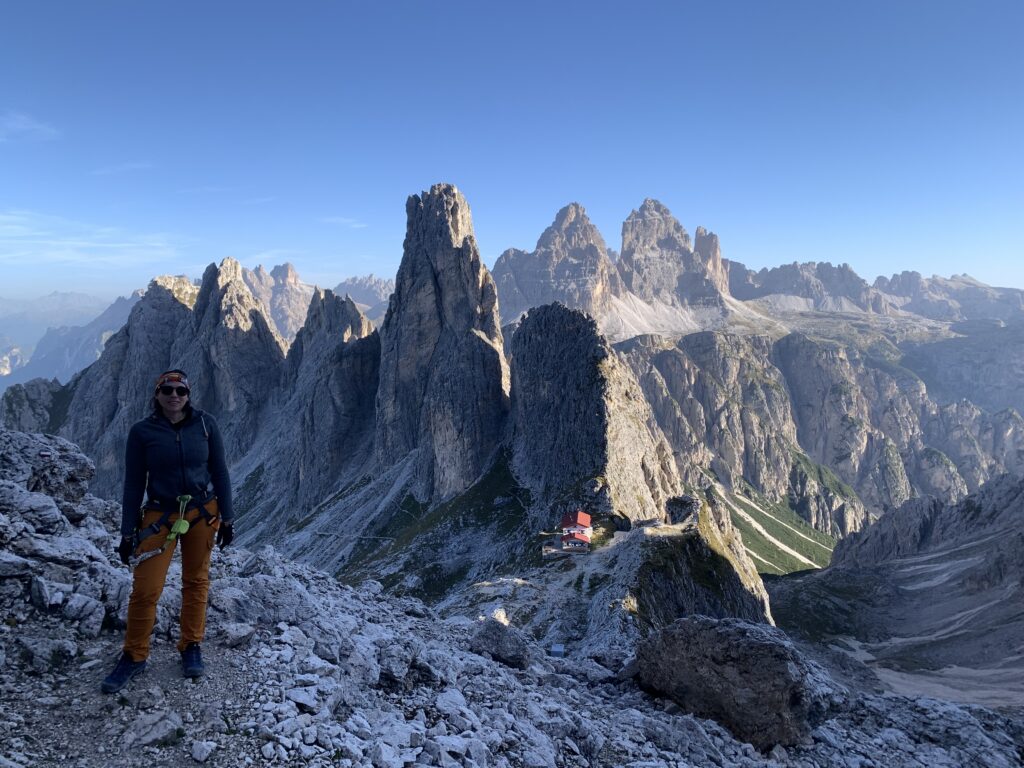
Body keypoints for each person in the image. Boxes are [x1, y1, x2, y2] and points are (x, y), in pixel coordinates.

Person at [101, 369, 234, 693]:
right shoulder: (142, 432)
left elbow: (220, 471)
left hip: (202, 513)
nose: (174, 396)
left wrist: (228, 519)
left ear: (189, 395)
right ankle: (134, 655)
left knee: (196, 581)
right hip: (160, 514)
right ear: (157, 394)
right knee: (146, 588)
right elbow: (134, 483)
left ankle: (191, 646)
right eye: (167, 390)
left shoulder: (205, 425)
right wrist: (127, 532)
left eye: (181, 391)